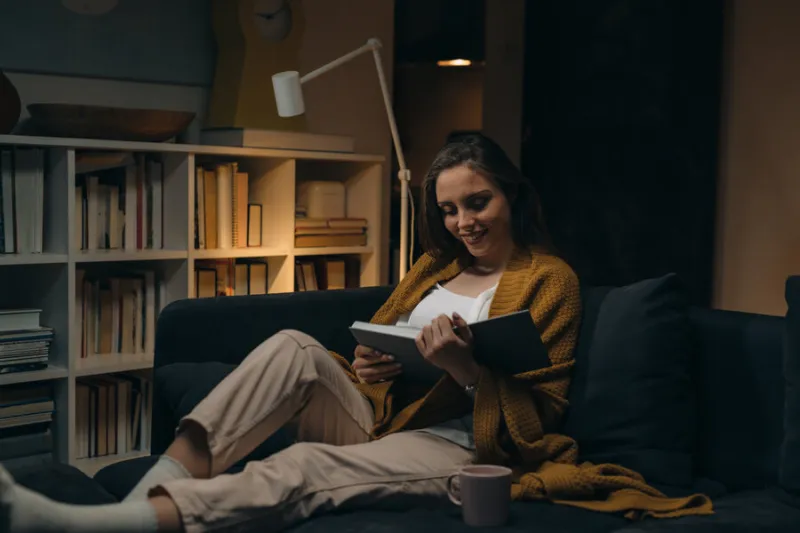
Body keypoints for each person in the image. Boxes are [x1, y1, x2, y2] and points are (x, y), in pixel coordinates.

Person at [0, 134, 711, 533]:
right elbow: (374, 347)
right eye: (450, 209)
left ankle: (100, 526)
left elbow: (541, 418)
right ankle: (141, 498)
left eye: (478, 202)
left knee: (304, 467)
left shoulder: (549, 279)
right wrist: (371, 360)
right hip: (382, 416)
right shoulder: (435, 265)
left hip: (464, 445)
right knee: (292, 345)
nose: (464, 222)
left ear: (511, 195)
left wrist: (467, 370)